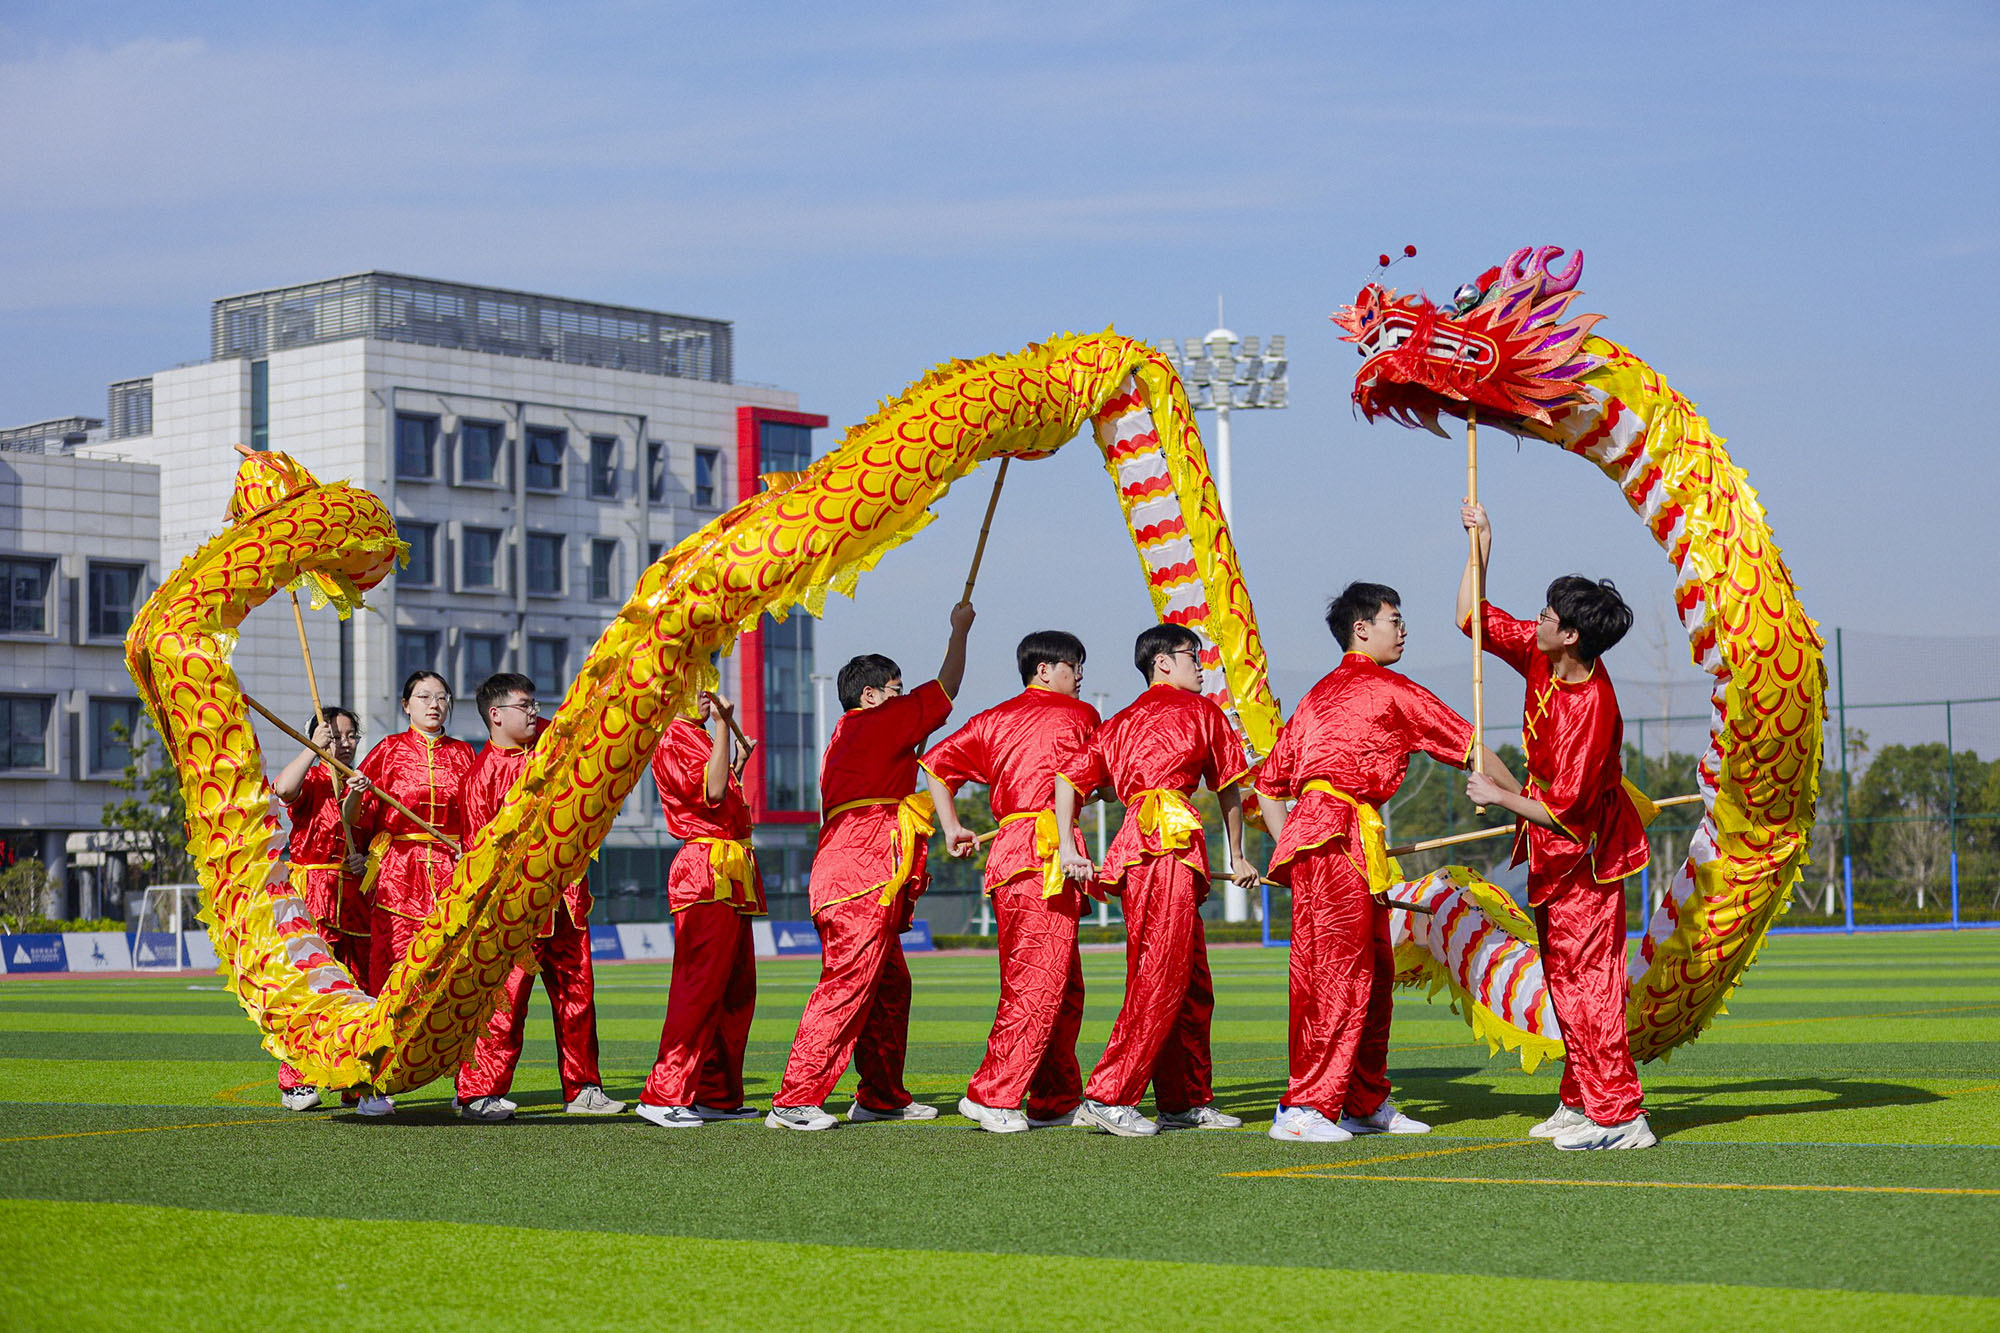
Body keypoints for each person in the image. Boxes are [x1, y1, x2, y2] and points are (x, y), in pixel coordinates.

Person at [1255, 583, 1517, 1144]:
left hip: (1340, 842)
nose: (1403, 630)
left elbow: (1270, 785)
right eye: (1394, 619)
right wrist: (1527, 804)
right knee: (1336, 976)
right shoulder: (1385, 688)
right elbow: (1470, 745)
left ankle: (1362, 1099)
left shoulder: (1317, 696)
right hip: (1334, 843)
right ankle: (1304, 1107)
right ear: (1361, 629)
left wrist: (1294, 843)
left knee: (1373, 974)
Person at [1460, 500, 1656, 1151]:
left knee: (1590, 985)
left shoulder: (1594, 707)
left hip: (1587, 858)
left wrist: (1499, 791)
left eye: (1547, 615)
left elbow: (1565, 811)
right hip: (1548, 855)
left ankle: (1621, 1113)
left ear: (1570, 634)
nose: (1536, 620)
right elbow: (1472, 618)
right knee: (1565, 981)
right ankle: (1580, 1099)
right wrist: (1480, 544)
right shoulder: (1542, 654)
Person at [767, 601, 975, 1131]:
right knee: (847, 982)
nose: (903, 698)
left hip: (852, 864)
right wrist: (959, 630)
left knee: (889, 987)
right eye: (896, 689)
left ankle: (880, 1095)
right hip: (861, 870)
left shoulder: (852, 734)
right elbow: (946, 689)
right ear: (871, 695)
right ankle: (795, 1099)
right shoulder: (875, 723)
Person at [1052, 623, 1258, 1138]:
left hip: (1146, 846)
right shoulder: (1204, 712)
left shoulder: (1119, 721)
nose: (1201, 665)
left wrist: (1065, 840)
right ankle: (1109, 1094)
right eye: (1194, 655)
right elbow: (1231, 788)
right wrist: (1238, 854)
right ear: (1162, 662)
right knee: (1161, 973)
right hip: (1165, 844)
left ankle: (1183, 1099)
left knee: (1189, 980)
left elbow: (1066, 780)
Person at [923, 630, 1098, 1134]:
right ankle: (992, 1094)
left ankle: (1055, 1097)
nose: (1080, 675)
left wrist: (952, 825)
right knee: (1038, 983)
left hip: (1012, 855)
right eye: (1074, 666)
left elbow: (936, 765)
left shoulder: (991, 720)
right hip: (1044, 854)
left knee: (1061, 985)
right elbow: (1100, 778)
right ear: (1045, 670)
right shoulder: (1079, 716)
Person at [451, 672, 624, 1121]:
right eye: (524, 706)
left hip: (567, 899)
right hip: (516, 911)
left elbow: (587, 727)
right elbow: (476, 856)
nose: (534, 713)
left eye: (534, 705)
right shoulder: (481, 776)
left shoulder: (551, 744)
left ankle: (584, 1087)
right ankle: (478, 1092)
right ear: (496, 714)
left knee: (578, 996)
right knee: (505, 1003)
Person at [635, 689, 766, 1129]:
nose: (706, 698)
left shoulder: (694, 735)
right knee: (698, 989)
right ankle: (663, 1093)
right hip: (705, 870)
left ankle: (716, 1093)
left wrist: (731, 754)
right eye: (696, 688)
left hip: (730, 866)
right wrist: (724, 728)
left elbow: (722, 793)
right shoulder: (673, 736)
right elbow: (710, 793)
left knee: (735, 989)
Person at [350, 669, 476, 1117]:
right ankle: (373, 1086)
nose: (434, 704)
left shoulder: (465, 754)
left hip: (452, 876)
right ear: (406, 705)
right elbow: (355, 818)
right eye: (424, 696)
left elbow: (481, 813)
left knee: (456, 979)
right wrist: (355, 796)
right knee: (387, 982)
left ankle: (472, 1089)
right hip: (397, 877)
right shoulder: (386, 752)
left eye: (442, 697)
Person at [270, 706, 371, 1111]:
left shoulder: (363, 783)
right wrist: (313, 747)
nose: (344, 744)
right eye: (336, 736)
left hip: (356, 895)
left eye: (351, 736)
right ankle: (296, 1079)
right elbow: (282, 789)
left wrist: (366, 861)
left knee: (360, 986)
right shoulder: (311, 777)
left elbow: (374, 840)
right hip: (313, 889)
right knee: (310, 986)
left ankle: (354, 1078)